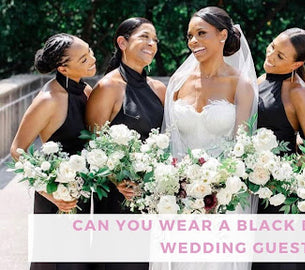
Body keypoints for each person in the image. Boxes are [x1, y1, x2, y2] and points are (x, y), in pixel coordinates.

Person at [157, 6, 258, 270]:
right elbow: (167, 140)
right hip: (178, 196)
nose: (193, 41)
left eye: (201, 33)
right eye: (190, 35)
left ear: (223, 35)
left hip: (223, 197)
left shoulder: (241, 84)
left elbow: (242, 144)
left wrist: (220, 187)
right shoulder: (178, 82)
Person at [10, 33, 96, 270]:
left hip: (80, 190)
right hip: (55, 195)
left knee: (78, 261)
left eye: (89, 51)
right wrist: (50, 193)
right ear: (63, 68)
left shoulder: (85, 90)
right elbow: (17, 149)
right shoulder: (49, 99)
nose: (92, 59)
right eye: (83, 59)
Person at [85, 17, 166, 270]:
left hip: (153, 197)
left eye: (154, 39)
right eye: (144, 37)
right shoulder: (108, 87)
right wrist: (115, 179)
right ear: (122, 42)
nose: (151, 43)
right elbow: (93, 147)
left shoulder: (159, 89)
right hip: (118, 198)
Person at [252, 28, 305, 270]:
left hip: (279, 197)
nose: (271, 55)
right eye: (273, 46)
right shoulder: (260, 80)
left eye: (280, 56)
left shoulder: (298, 93)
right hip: (252, 188)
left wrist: (283, 173)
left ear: (297, 63)